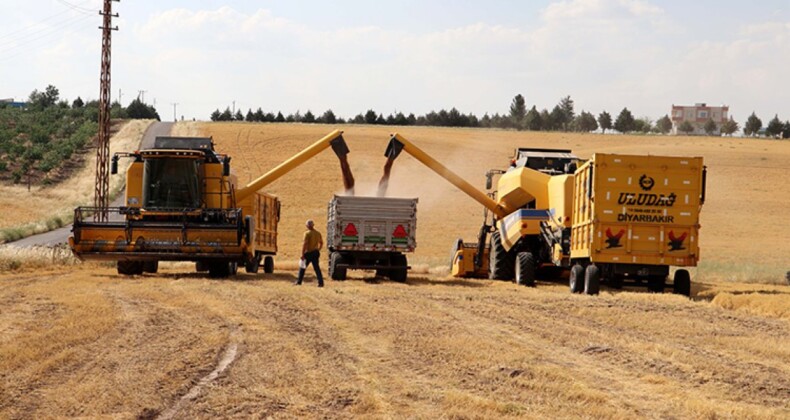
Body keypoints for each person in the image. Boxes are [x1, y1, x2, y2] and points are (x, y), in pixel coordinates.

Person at [295, 219, 324, 287]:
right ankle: (321, 283)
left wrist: (302, 254)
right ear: (313, 225)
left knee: (302, 267)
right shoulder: (318, 233)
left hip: (308, 253)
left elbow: (305, 244)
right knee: (317, 268)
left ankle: (299, 282)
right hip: (315, 253)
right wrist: (318, 249)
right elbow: (321, 243)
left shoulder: (307, 233)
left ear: (307, 226)